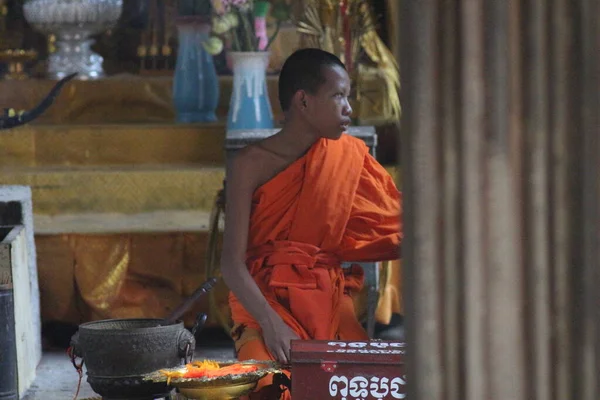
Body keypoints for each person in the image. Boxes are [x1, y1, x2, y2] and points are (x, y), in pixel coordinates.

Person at [220, 48, 402, 398]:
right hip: (265, 303)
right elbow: (231, 263)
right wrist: (271, 325)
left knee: (369, 386)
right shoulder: (250, 164)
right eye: (338, 96)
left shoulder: (347, 158)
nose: (348, 108)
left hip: (329, 301)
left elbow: (392, 222)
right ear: (303, 101)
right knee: (273, 386)